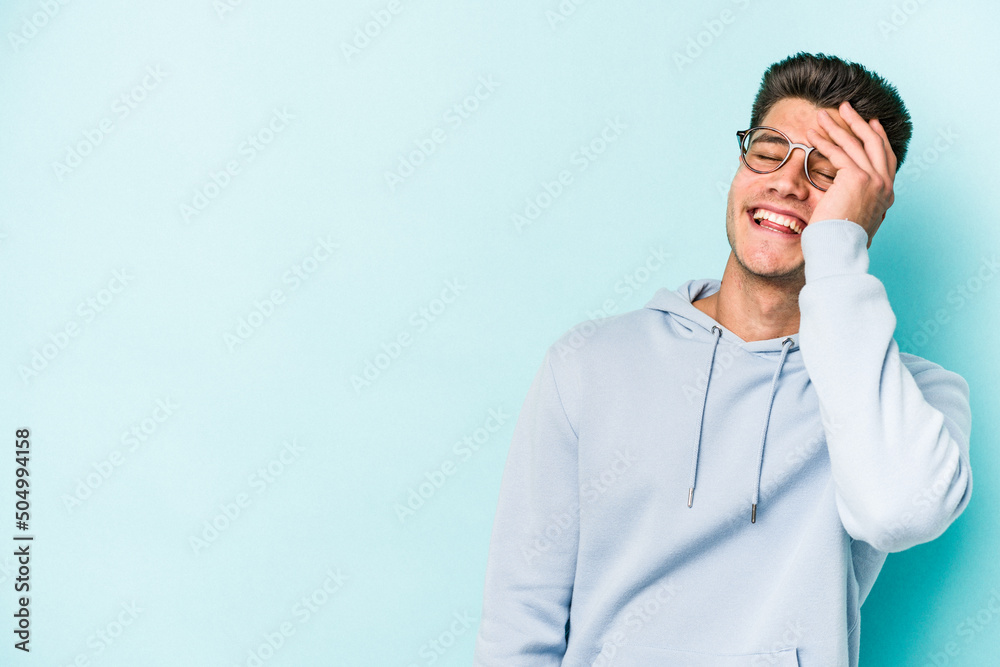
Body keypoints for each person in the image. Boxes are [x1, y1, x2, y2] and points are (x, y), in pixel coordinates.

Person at [472, 52, 972, 667]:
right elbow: (519, 622)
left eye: (826, 173)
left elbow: (899, 512)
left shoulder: (913, 398)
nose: (787, 182)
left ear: (862, 207)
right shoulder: (588, 363)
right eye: (768, 151)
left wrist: (838, 255)